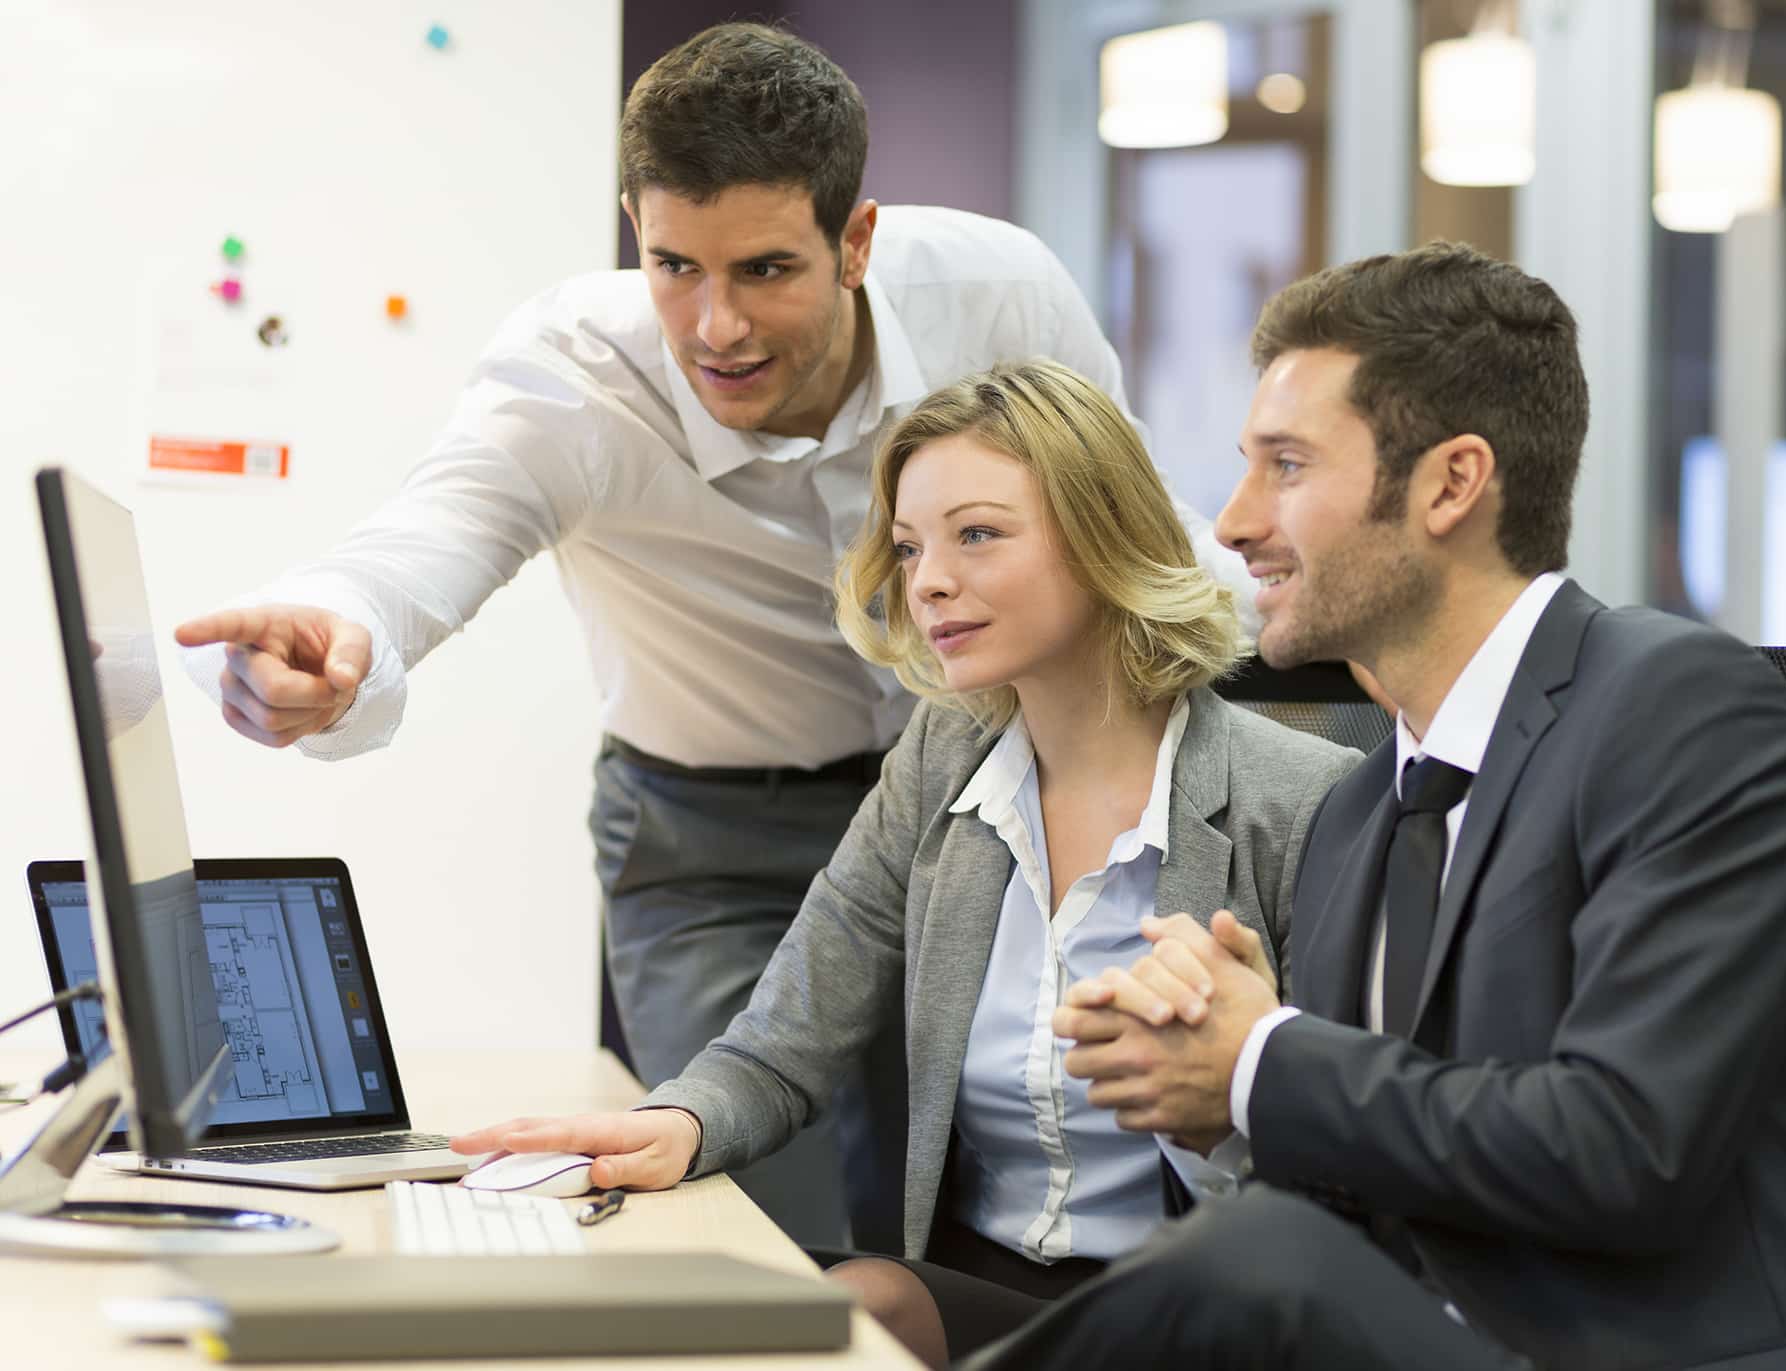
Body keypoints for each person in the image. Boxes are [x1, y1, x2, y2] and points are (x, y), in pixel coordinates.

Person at [168, 23, 1246, 1251]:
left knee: (946, 1210)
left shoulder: (995, 297)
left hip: (976, 812)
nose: (715, 325)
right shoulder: (576, 375)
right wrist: (339, 629)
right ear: (634, 225)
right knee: (746, 1218)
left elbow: (1142, 535)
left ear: (857, 241)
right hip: (705, 834)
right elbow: (423, 543)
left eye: (766, 270)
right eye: (673, 264)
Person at [960, 244, 1786, 1370]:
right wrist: (1219, 1104)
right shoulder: (1361, 813)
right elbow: (1379, 1186)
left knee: (1252, 1261)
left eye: (1286, 466)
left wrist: (1267, 1058)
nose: (1230, 523)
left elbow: (1628, 1147)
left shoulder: (1683, 710)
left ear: (1451, 484)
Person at [450, 360, 1358, 1368]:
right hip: (987, 1286)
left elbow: (1350, 1175)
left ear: (1104, 533)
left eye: (977, 534)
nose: (927, 580)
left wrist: (1219, 1105)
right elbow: (787, 1036)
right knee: (826, 1311)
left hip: (1200, 1315)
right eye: (912, 544)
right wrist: (678, 1122)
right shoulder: (941, 761)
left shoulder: (1306, 800)